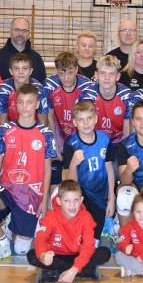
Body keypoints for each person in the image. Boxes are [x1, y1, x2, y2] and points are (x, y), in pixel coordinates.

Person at [0, 84, 57, 262]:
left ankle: (10, 224)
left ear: (37, 104)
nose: (25, 106)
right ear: (15, 104)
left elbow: (47, 170)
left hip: (31, 194)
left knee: (22, 250)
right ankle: (2, 244)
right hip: (7, 188)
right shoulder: (5, 129)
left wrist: (44, 200)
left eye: (29, 102)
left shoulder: (45, 134)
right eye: (21, 102)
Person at [27, 180, 111, 283]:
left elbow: (88, 247)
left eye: (76, 200)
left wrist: (74, 269)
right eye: (67, 201)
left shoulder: (86, 218)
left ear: (81, 200)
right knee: (32, 255)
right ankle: (85, 270)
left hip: (77, 256)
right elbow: (40, 239)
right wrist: (43, 256)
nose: (72, 205)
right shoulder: (51, 216)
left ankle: (59, 271)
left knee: (104, 252)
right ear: (59, 201)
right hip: (56, 256)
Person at [62, 102, 116, 241]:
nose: (86, 123)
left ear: (96, 118)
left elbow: (109, 169)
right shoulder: (71, 144)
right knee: (84, 236)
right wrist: (73, 163)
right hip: (82, 196)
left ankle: (107, 225)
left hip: (102, 194)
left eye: (89, 118)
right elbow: (69, 182)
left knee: (96, 236)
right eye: (81, 119)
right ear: (75, 122)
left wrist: (112, 198)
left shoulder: (105, 139)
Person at [42, 52, 96, 186]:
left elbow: (87, 119)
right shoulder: (50, 85)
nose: (66, 78)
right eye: (62, 73)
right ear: (56, 71)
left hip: (80, 132)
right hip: (59, 132)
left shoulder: (86, 85)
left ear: (77, 69)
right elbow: (50, 117)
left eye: (70, 73)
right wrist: (54, 145)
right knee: (57, 169)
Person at [87, 55, 131, 146]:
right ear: (96, 75)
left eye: (111, 74)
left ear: (118, 76)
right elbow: (85, 127)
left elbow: (127, 133)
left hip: (119, 143)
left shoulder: (126, 96)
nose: (107, 77)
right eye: (103, 73)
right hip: (95, 141)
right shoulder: (88, 94)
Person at [0, 53, 48, 126]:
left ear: (31, 71)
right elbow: (3, 121)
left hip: (33, 127)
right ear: (11, 71)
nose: (21, 72)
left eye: (25, 68)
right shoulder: (3, 89)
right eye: (17, 68)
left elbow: (43, 122)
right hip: (11, 128)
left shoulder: (39, 89)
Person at [0, 17, 46, 83]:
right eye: (17, 30)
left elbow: (42, 84)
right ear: (10, 31)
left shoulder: (37, 58)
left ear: (28, 33)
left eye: (24, 30)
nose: (20, 33)